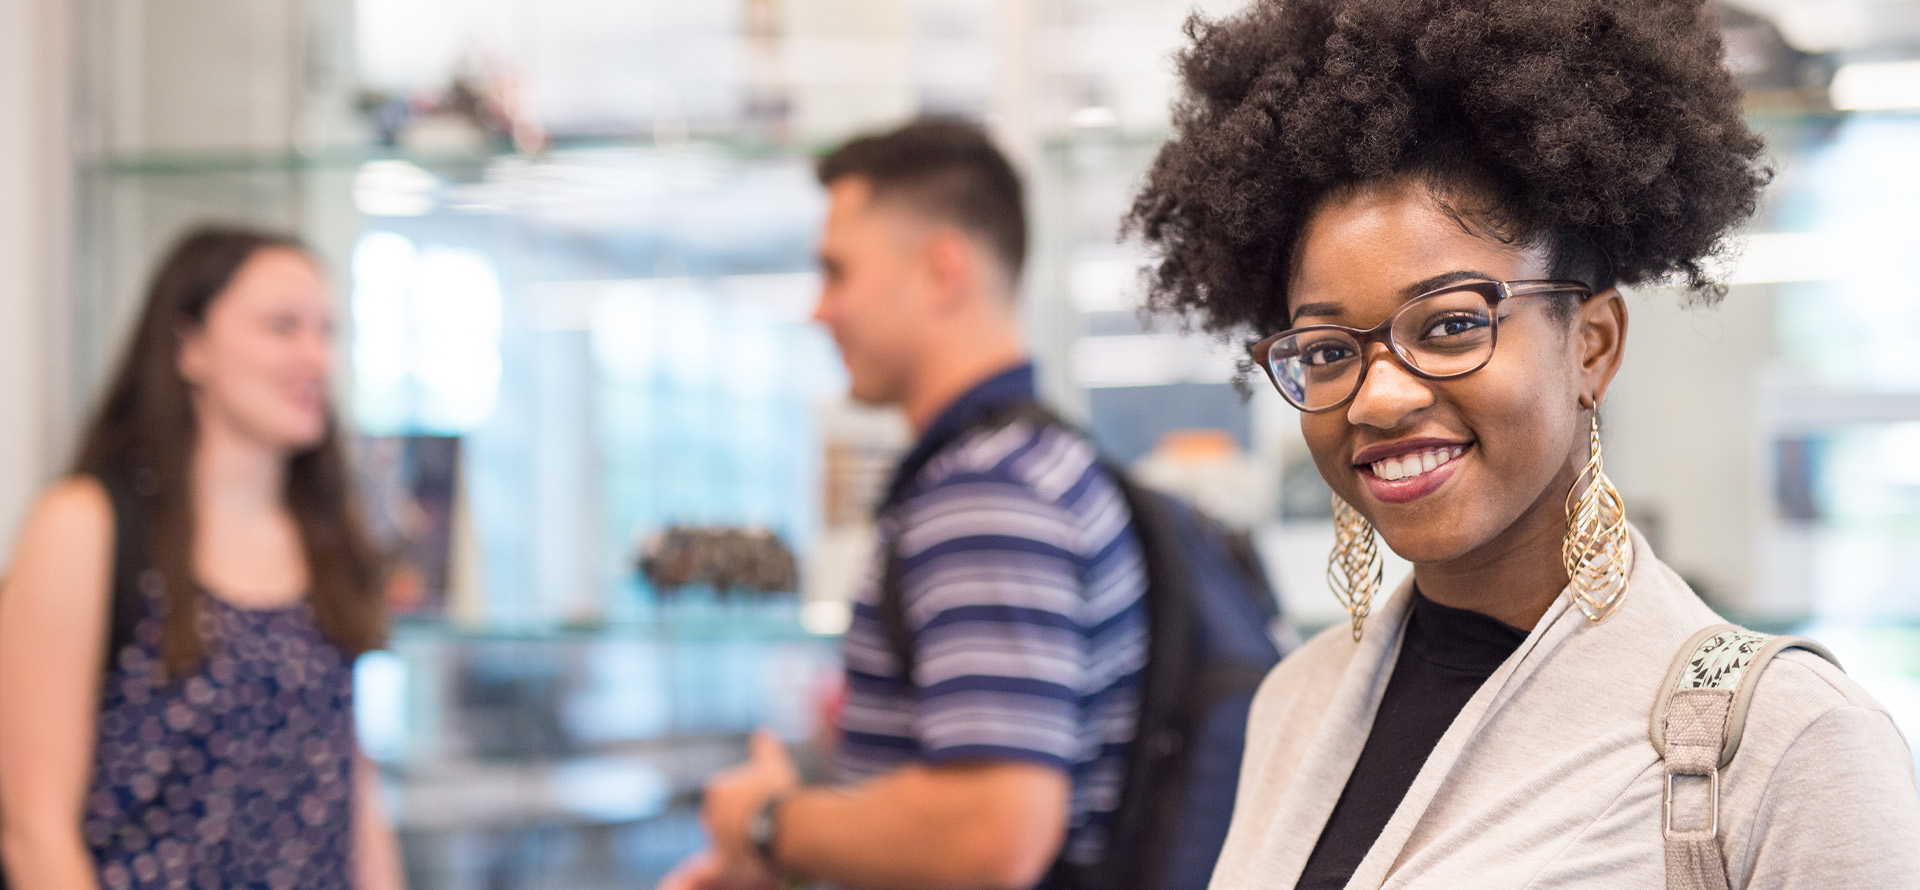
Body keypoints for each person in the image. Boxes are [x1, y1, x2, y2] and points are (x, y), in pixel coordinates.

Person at [1124, 0, 1920, 887]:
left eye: (1454, 324)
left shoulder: (1782, 743)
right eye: (1326, 351)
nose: (1380, 398)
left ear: (1593, 344)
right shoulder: (1294, 703)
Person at [662, 119, 1150, 890]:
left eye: (837, 273)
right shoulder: (1029, 464)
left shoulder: (987, 492)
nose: (819, 311)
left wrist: (768, 823)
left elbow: (993, 832)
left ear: (938, 270)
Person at [0, 227, 407, 889]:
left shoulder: (329, 537)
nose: (315, 357)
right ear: (188, 346)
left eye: (327, 332)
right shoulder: (85, 526)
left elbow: (353, 794)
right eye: (282, 327)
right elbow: (34, 833)